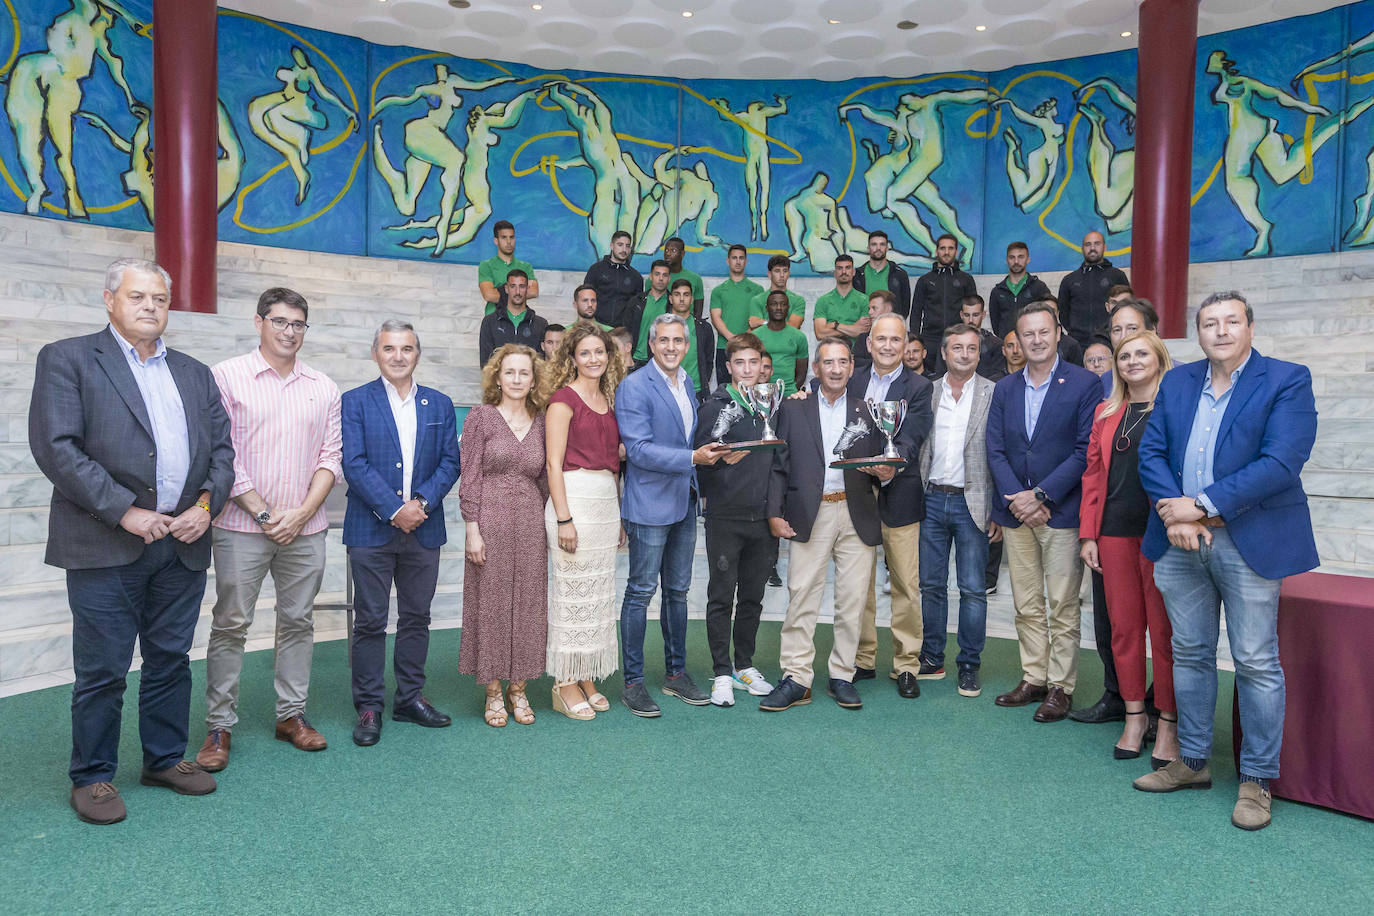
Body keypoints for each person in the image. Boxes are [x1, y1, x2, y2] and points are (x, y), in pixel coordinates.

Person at [30, 258, 233, 825]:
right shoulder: (68, 358)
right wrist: (126, 512)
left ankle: (164, 759)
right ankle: (93, 775)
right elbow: (57, 448)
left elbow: (223, 452)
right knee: (104, 667)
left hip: (182, 541)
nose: (150, 307)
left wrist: (204, 506)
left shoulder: (195, 372)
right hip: (104, 542)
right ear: (109, 299)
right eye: (139, 296)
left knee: (170, 659)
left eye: (160, 299)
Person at [1133, 292, 1319, 833]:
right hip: (1178, 539)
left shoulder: (1286, 379)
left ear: (1250, 327)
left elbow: (1281, 462)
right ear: (1198, 332)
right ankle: (1191, 762)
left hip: (1247, 539)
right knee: (1188, 653)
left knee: (1256, 660)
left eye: (1231, 321)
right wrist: (1180, 516)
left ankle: (1257, 779)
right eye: (1209, 323)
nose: (1220, 331)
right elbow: (1152, 454)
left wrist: (1204, 505)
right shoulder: (1179, 381)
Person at [198, 288, 342, 768]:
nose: (289, 332)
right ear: (258, 321)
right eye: (279, 321)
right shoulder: (227, 376)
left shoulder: (323, 385)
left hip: (307, 527)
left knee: (298, 621)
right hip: (241, 525)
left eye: (298, 324)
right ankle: (219, 726)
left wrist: (300, 514)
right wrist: (263, 514)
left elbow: (330, 458)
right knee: (231, 623)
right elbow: (223, 454)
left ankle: (291, 715)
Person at [341, 320, 461, 745]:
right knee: (370, 622)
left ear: (417, 354)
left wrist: (421, 505)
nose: (398, 356)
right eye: (389, 348)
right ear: (376, 354)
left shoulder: (440, 404)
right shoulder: (354, 401)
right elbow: (353, 463)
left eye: (406, 349)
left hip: (424, 530)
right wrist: (394, 509)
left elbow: (451, 463)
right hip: (370, 530)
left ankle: (410, 698)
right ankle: (369, 706)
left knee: (417, 618)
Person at [987, 303, 1100, 723]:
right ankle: (1033, 676)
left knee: (1062, 604)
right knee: (1027, 602)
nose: (1035, 340)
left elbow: (1084, 450)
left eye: (1042, 332)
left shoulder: (1085, 384)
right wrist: (1018, 498)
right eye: (1026, 334)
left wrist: (1042, 495)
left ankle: (1060, 686)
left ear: (1057, 333)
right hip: (1017, 514)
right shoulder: (1005, 389)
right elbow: (995, 449)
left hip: (1061, 514)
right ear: (1016, 340)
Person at [759, 338, 885, 712]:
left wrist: (884, 473)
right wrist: (773, 512)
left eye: (842, 362)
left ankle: (842, 675)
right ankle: (796, 677)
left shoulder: (869, 411)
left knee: (852, 600)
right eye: (827, 362)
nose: (834, 368)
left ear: (851, 368)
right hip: (807, 512)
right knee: (801, 596)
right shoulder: (794, 409)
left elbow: (882, 463)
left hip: (855, 512)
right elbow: (778, 465)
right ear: (815, 368)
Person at [616, 313, 732, 716]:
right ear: (652, 344)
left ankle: (676, 674)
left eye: (678, 341)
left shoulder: (687, 383)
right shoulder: (633, 386)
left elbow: (689, 438)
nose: (671, 347)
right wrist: (693, 458)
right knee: (640, 592)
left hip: (684, 500)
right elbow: (639, 448)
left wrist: (713, 453)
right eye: (663, 340)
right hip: (649, 504)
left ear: (687, 346)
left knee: (678, 592)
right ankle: (632, 682)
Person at [1079, 331, 1178, 765]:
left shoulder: (1178, 408)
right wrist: (1088, 534)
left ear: (1159, 359)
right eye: (1125, 356)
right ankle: (1134, 716)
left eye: (1142, 354)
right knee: (1123, 630)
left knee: (1164, 633)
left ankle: (1168, 723)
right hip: (1114, 533)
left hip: (1164, 535)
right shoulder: (1106, 412)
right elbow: (1093, 478)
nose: (1133, 361)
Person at [459, 344, 550, 727]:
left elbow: (545, 479)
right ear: (497, 377)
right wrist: (471, 528)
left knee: (529, 604)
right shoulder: (481, 417)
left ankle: (519, 687)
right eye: (509, 372)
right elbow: (470, 475)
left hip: (530, 522)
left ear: (534, 379)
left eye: (524, 373)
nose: (516, 379)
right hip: (489, 522)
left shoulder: (543, 420)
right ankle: (493, 690)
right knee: (492, 604)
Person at [545, 323, 625, 720]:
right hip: (573, 501)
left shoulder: (607, 400)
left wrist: (619, 516)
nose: (594, 359)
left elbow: (613, 465)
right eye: (585, 353)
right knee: (572, 597)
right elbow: (552, 463)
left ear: (609, 356)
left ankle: (586, 674)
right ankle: (564, 682)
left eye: (600, 352)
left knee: (597, 599)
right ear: (572, 358)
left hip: (605, 506)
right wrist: (564, 519)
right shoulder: (563, 399)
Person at [851, 315, 934, 697]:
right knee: (860, 582)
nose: (887, 346)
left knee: (905, 583)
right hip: (857, 495)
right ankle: (862, 658)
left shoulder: (918, 387)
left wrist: (888, 467)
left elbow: (914, 434)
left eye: (895, 340)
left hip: (899, 490)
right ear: (869, 343)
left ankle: (906, 664)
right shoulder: (852, 379)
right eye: (880, 339)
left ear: (906, 346)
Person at [694, 333, 778, 706]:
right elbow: (699, 463)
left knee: (753, 597)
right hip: (725, 517)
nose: (747, 369)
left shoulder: (772, 405)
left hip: (762, 519)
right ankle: (722, 671)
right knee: (721, 596)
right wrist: (720, 463)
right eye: (739, 363)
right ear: (728, 367)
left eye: (753, 363)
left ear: (763, 366)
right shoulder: (715, 407)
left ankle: (744, 664)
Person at [917, 324, 999, 698]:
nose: (964, 354)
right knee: (931, 585)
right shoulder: (926, 392)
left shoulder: (994, 394)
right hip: (932, 499)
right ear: (945, 353)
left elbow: (1001, 452)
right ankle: (932, 657)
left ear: (979, 354)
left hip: (973, 503)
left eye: (971, 348)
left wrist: (998, 509)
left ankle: (969, 664)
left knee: (972, 589)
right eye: (957, 348)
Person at [911, 233, 978, 373]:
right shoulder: (925, 280)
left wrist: (970, 336)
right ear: (936, 251)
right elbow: (916, 312)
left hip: (957, 338)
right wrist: (916, 340)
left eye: (950, 248)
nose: (946, 252)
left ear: (956, 251)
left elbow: (973, 309)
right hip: (930, 339)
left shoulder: (966, 279)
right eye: (942, 248)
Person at [1057, 231, 1129, 352]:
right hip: (1078, 345)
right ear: (1082, 248)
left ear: (1104, 247)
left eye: (1097, 244)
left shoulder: (1117, 276)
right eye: (1088, 244)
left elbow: (1127, 306)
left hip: (1110, 342)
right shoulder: (1069, 280)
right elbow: (1063, 312)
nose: (1092, 248)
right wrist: (1075, 330)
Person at [708, 243, 765, 388]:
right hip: (724, 346)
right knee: (726, 390)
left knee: (750, 389)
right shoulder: (718, 291)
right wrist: (732, 339)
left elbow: (756, 320)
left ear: (746, 261)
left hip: (750, 346)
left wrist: (744, 339)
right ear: (728, 261)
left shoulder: (757, 290)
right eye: (734, 258)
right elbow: (715, 317)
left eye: (741, 258)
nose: (738, 261)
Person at [477, 270, 547, 367]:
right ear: (506, 288)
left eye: (522, 286)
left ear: (527, 288)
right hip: (498, 381)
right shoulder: (490, 322)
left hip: (530, 381)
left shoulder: (540, 324)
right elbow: (486, 363)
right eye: (513, 286)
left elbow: (542, 363)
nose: (517, 292)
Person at [812, 255, 872, 361]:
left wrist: (835, 325)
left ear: (853, 272)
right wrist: (852, 327)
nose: (844, 271)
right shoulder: (823, 301)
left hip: (856, 356)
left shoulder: (865, 300)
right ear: (835, 273)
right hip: (829, 355)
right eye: (839, 268)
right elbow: (820, 334)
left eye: (848, 268)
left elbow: (862, 331)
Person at [988, 241, 1053, 339]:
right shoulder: (997, 292)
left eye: (1021, 257)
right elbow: (995, 324)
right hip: (1007, 346)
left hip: (1033, 343)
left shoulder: (1039, 287)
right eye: (1012, 257)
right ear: (1007, 260)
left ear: (1028, 259)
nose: (1016, 262)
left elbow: (1048, 317)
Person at [752, 290, 810, 395]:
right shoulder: (755, 336)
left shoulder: (799, 337)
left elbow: (802, 373)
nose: (779, 308)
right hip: (762, 394)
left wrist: (789, 393)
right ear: (767, 308)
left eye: (783, 304)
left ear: (788, 308)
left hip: (790, 394)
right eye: (774, 304)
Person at [666, 277, 715, 397]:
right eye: (677, 295)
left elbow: (709, 360)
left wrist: (704, 382)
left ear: (692, 299)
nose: (682, 299)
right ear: (671, 299)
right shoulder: (660, 326)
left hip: (696, 391)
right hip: (666, 390)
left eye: (686, 295)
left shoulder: (704, 328)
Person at [583, 229, 643, 327]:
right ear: (611, 246)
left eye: (627, 246)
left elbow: (637, 307)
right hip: (596, 327)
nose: (624, 249)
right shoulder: (596, 270)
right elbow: (585, 297)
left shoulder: (636, 277)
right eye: (620, 245)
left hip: (622, 331)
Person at [759, 352, 784, 589]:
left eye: (767, 366)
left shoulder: (780, 400)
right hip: (751, 468)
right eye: (760, 365)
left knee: (775, 513)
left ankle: (772, 565)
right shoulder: (746, 398)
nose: (763, 371)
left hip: (774, 466)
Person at [477, 220, 538, 315]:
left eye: (512, 237)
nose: (509, 242)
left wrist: (499, 290)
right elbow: (488, 295)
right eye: (504, 237)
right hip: (494, 319)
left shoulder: (525, 267)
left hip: (520, 320)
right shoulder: (486, 265)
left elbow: (534, 291)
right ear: (496, 241)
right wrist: (518, 294)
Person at [852, 229, 913, 317]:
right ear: (868, 248)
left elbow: (905, 306)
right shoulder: (857, 275)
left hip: (891, 326)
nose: (878, 248)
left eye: (882, 244)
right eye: (874, 244)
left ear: (887, 248)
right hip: (865, 327)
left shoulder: (900, 274)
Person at [627, 259, 672, 367]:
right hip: (634, 360)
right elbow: (626, 330)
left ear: (669, 279)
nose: (661, 278)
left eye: (665, 275)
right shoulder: (636, 301)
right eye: (657, 274)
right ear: (651, 276)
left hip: (660, 362)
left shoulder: (672, 304)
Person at [646, 236, 705, 319]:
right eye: (666, 250)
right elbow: (648, 307)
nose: (668, 254)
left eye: (673, 250)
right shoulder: (654, 280)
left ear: (682, 254)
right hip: (659, 327)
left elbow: (698, 313)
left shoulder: (695, 279)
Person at [747, 254, 806, 330]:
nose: (782, 275)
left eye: (785, 271)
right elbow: (755, 327)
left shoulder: (798, 300)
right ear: (769, 274)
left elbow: (793, 327)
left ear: (788, 274)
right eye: (777, 271)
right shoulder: (757, 300)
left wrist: (762, 322)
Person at [959, 294, 1007, 379]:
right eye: (967, 315)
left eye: (975, 315)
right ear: (961, 315)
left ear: (983, 314)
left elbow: (998, 377)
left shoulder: (996, 345)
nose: (971, 320)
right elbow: (941, 375)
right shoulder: (950, 343)